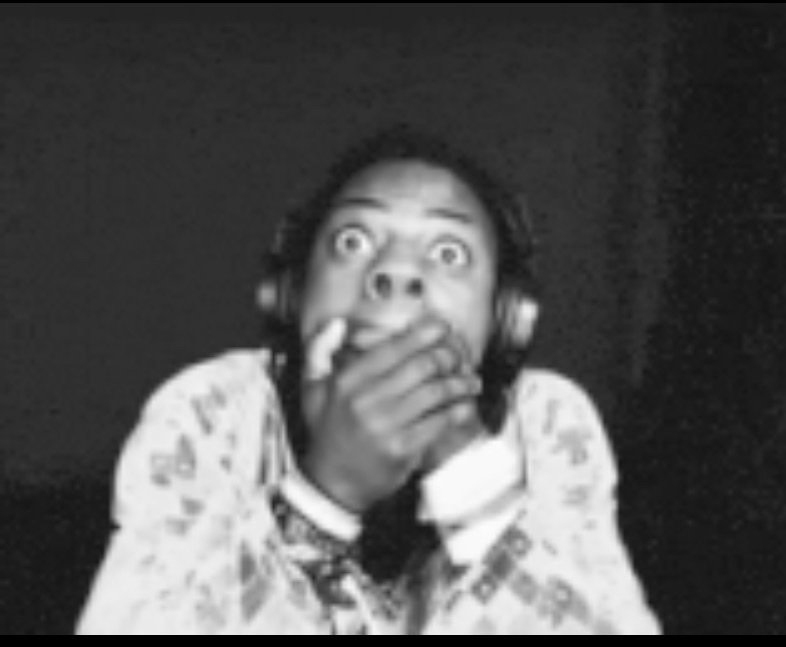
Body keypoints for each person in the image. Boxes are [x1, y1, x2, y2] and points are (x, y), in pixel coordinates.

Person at [76, 126, 661, 635]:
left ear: (505, 318)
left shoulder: (548, 422)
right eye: (352, 241)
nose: (396, 272)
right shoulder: (214, 412)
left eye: (449, 253)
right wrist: (327, 495)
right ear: (292, 294)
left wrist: (465, 467)